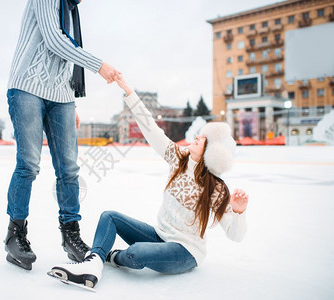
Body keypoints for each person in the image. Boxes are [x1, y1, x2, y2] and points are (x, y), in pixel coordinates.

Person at [49, 74, 249, 288]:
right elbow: (152, 129)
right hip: (159, 236)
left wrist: (238, 212)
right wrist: (129, 92)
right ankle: (93, 264)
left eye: (204, 140)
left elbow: (235, 235)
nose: (198, 137)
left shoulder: (216, 189)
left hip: (185, 251)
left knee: (136, 253)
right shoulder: (179, 159)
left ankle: (112, 257)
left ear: (211, 153)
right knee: (110, 217)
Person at [4, 0, 120, 271]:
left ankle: (71, 236)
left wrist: (70, 102)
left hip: (61, 96)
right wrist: (98, 65)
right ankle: (15, 234)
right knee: (29, 165)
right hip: (28, 88)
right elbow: (56, 40)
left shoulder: (71, 8)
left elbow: (64, 58)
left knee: (69, 169)